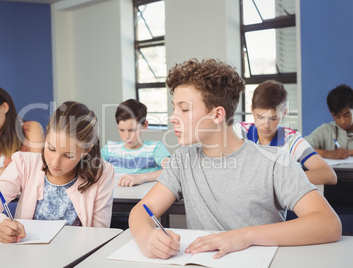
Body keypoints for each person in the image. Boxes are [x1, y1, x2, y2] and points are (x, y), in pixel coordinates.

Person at [129, 58, 341, 260]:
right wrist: (145, 236)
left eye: (184, 109)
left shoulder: (275, 162)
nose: (173, 116)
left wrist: (245, 236)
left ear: (218, 115)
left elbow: (328, 224)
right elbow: (141, 211)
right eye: (174, 107)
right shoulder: (183, 160)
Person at [0, 101, 115, 243]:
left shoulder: (102, 173)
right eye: (51, 148)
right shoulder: (24, 163)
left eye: (68, 155)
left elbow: (99, 235)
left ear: (86, 150)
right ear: (46, 135)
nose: (54, 162)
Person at [233, 80, 336, 185]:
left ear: (284, 113)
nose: (266, 125)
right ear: (252, 110)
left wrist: (279, 179)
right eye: (260, 117)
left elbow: (329, 175)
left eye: (273, 118)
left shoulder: (291, 141)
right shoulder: (239, 132)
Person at [101, 99, 170, 187]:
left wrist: (141, 177)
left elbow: (170, 169)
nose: (126, 136)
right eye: (121, 130)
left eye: (132, 130)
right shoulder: (109, 150)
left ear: (145, 125)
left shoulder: (155, 148)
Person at [305, 84, 353, 159]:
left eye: (346, 115)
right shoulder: (325, 131)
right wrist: (327, 153)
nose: (342, 121)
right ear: (331, 113)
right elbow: (300, 148)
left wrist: (350, 152)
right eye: (337, 116)